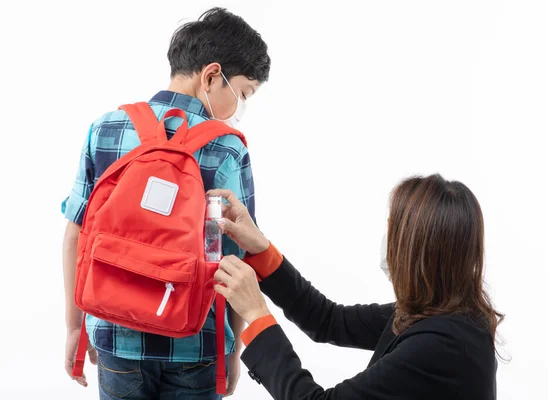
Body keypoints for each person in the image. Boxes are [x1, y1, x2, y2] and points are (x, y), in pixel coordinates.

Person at [61, 8, 270, 399]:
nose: (240, 107)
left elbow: (75, 233)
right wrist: (234, 349)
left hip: (113, 332)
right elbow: (238, 255)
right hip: (197, 340)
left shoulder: (106, 127)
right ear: (212, 76)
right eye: (242, 93)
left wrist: (76, 326)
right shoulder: (227, 148)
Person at [208, 174, 504, 399]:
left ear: (418, 252)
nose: (386, 241)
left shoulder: (442, 345)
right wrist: (262, 252)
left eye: (393, 230)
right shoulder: (441, 312)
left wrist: (258, 315)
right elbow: (328, 320)